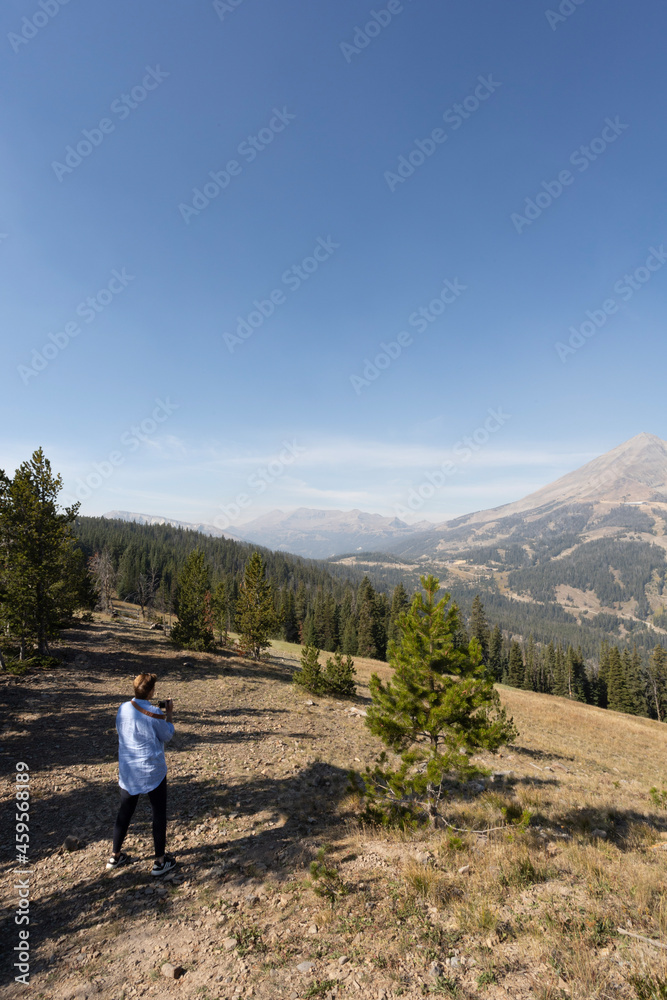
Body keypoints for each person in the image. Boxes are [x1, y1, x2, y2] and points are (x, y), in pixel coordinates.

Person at [107, 672, 177, 876]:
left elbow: (120, 730)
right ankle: (159, 861)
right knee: (158, 814)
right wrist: (170, 715)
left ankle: (115, 856)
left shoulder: (123, 708)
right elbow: (167, 735)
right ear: (152, 691)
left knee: (125, 812)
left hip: (129, 770)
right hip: (151, 770)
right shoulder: (154, 713)